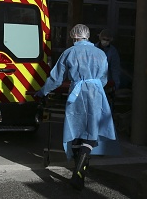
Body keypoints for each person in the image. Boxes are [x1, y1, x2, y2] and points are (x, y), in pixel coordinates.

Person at [34, 24, 116, 191]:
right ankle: (79, 173)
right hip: (96, 94)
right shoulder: (100, 53)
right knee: (91, 133)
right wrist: (95, 87)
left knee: (76, 130)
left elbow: (56, 78)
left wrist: (42, 92)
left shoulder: (69, 52)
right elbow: (104, 79)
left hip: (77, 94)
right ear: (87, 36)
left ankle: (77, 172)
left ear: (74, 37)